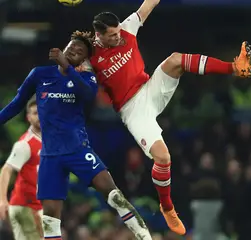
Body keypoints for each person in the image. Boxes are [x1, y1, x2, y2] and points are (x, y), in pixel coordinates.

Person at [89, 0, 251, 235]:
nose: (117, 37)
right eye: (112, 35)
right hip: (132, 109)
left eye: (118, 32)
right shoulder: (91, 55)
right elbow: (72, 65)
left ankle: (235, 67)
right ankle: (167, 207)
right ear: (99, 35)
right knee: (163, 158)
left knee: (176, 59)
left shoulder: (127, 29)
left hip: (150, 88)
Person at [0, 31, 151, 240]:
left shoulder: (86, 78)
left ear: (83, 60)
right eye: (71, 47)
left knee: (113, 194)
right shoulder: (39, 74)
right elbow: (16, 104)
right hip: (50, 156)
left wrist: (68, 68)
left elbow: (88, 95)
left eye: (79, 51)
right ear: (64, 47)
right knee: (50, 216)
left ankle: (145, 236)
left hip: (78, 150)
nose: (73, 51)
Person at [0, 96, 43, 240]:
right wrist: (2, 200)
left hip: (35, 205)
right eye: (35, 113)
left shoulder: (49, 140)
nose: (39, 116)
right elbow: (6, 169)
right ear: (28, 117)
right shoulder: (25, 144)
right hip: (25, 205)